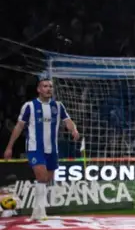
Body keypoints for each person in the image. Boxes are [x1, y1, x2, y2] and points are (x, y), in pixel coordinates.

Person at [2, 77, 80, 221]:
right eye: (45, 86)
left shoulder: (58, 106)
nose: (48, 89)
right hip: (35, 148)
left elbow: (68, 121)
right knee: (42, 177)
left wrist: (74, 130)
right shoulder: (29, 106)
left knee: (46, 179)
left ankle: (36, 211)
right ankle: (40, 211)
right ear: (38, 89)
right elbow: (19, 127)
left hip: (52, 149)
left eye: (50, 86)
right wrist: (9, 147)